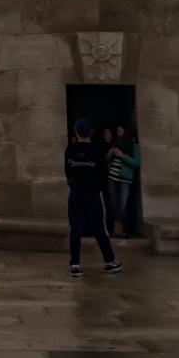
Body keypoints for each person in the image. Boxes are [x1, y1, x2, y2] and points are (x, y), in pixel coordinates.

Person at [64, 118, 121, 277]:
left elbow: (67, 170)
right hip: (93, 193)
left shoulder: (70, 150)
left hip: (75, 192)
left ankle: (75, 264)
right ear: (91, 132)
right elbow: (103, 173)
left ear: (76, 132)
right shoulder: (97, 151)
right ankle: (109, 262)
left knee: (75, 228)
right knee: (99, 227)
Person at [107, 123, 140, 238]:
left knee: (122, 204)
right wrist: (109, 155)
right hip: (112, 176)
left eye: (121, 131)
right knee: (113, 203)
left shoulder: (134, 145)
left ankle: (118, 229)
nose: (119, 134)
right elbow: (106, 161)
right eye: (118, 131)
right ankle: (113, 228)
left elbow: (136, 163)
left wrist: (122, 156)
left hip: (124, 179)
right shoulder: (116, 142)